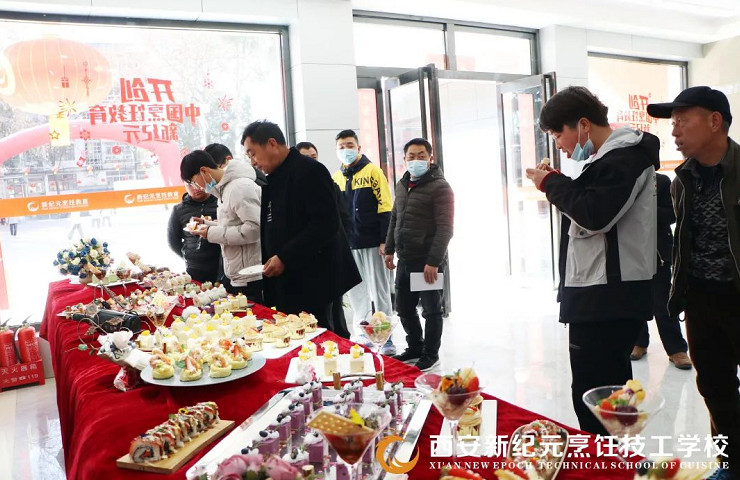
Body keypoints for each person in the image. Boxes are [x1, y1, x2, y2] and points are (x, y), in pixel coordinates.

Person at [525, 86, 659, 435]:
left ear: (583, 125)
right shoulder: (606, 160)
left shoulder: (625, 158)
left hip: (607, 296)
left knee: (595, 396)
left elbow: (595, 214)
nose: (558, 145)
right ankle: (613, 459)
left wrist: (551, 183)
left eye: (558, 134)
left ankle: (605, 460)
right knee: (608, 394)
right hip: (600, 290)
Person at [648, 86, 740, 480]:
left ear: (714, 121)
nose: (674, 131)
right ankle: (730, 465)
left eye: (682, 121)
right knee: (715, 388)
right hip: (701, 299)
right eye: (673, 123)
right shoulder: (681, 179)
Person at [242, 120, 361, 331]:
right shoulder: (275, 176)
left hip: (314, 279)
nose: (253, 162)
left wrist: (284, 257)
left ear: (272, 144)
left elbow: (325, 223)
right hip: (289, 277)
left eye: (253, 154)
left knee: (316, 337)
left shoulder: (309, 170)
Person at [385, 138, 454, 372]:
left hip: (427, 262)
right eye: (411, 156)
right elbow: (395, 217)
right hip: (405, 259)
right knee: (404, 308)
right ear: (404, 159)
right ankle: (415, 346)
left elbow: (445, 228)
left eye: (421, 156)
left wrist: (433, 262)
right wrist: (389, 249)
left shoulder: (440, 187)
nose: (416, 160)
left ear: (430, 158)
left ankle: (431, 354)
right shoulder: (402, 184)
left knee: (431, 310)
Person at [332, 129, 396, 355]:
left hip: (372, 242)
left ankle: (385, 336)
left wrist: (384, 241)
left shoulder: (373, 172)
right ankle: (362, 335)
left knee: (379, 291)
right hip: (350, 244)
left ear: (358, 148)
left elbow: (385, 207)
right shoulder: (336, 177)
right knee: (356, 292)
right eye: (341, 147)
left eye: (350, 145)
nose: (346, 150)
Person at [180, 150, 263, 302]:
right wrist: (206, 225)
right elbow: (233, 223)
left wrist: (210, 233)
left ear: (204, 171)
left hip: (250, 274)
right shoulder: (224, 189)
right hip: (239, 271)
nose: (196, 187)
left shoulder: (239, 188)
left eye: (193, 181)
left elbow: (254, 230)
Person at [630, 171, 692, 370]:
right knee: (634, 299)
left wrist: (644, 208)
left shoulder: (662, 181)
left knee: (663, 301)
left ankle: (676, 349)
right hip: (629, 250)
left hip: (658, 253)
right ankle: (639, 342)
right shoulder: (624, 178)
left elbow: (672, 214)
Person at [296, 141, 352, 338]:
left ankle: (342, 344)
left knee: (336, 309)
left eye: (314, 157)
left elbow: (345, 218)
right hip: (313, 262)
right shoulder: (297, 187)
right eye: (306, 158)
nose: (312, 161)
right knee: (323, 315)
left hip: (333, 255)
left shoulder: (329, 184)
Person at [166, 181, 221, 283]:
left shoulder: (220, 203)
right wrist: (188, 255)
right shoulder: (178, 209)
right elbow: (173, 241)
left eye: (197, 183)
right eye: (190, 185)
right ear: (184, 186)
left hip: (222, 263)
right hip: (195, 267)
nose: (196, 188)